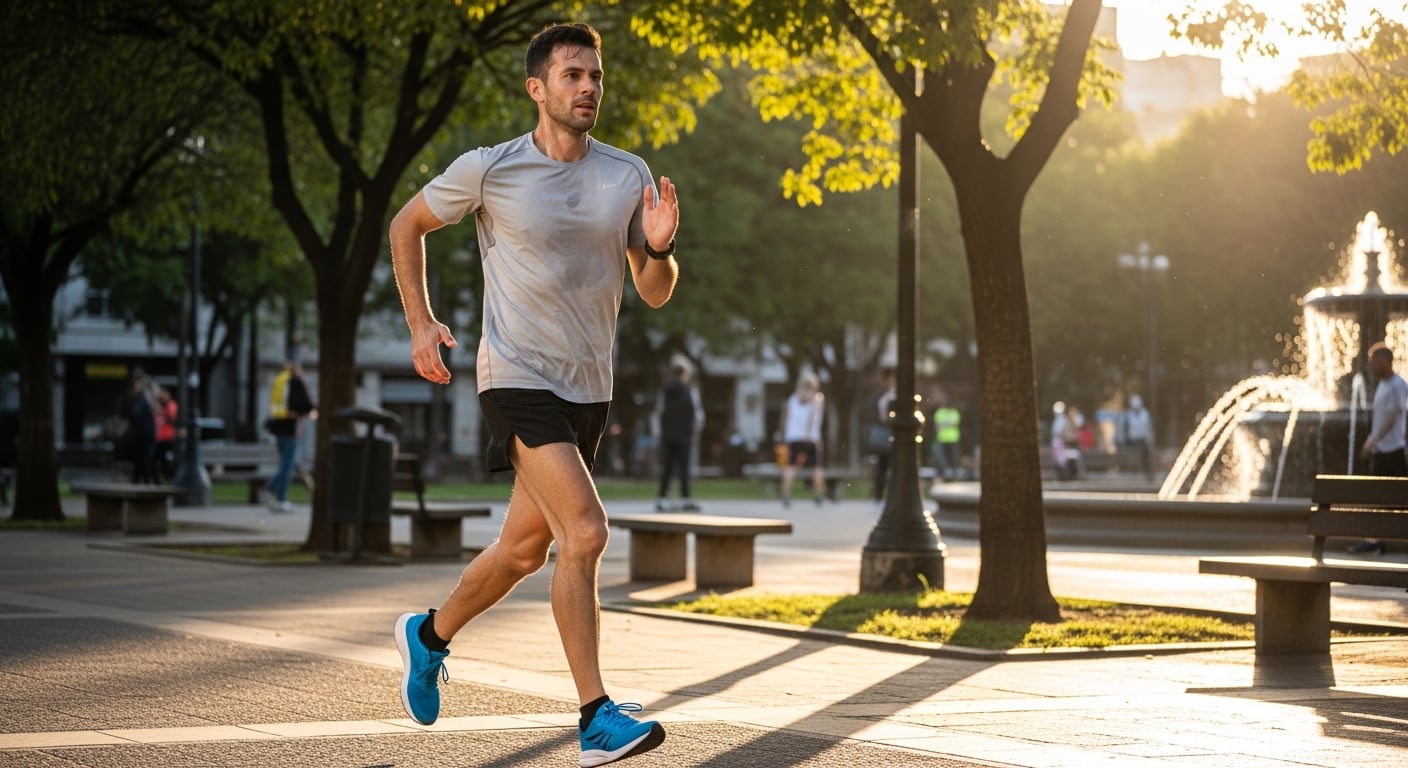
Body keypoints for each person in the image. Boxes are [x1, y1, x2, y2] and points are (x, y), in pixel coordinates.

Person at [387, 22, 679, 767]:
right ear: (537, 88)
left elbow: (654, 291)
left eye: (595, 76)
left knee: (522, 551)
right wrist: (420, 323)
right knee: (585, 532)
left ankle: (428, 635)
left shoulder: (627, 175)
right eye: (572, 75)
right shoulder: (492, 169)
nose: (588, 88)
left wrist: (660, 246)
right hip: (515, 375)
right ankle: (595, 719)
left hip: (588, 389)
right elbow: (407, 224)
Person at [1349, 342, 1407, 554]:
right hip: (1381, 451)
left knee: (1394, 498)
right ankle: (1375, 539)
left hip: (1392, 451)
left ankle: (1375, 540)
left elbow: (1393, 416)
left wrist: (1372, 440)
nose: (1371, 366)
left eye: (1375, 362)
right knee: (1378, 498)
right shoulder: (1383, 384)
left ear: (1386, 362)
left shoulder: (1397, 384)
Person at [262, 357, 315, 514]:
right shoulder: (295, 381)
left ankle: (274, 493)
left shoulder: (279, 380)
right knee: (288, 465)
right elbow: (306, 405)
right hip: (291, 427)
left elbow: (275, 405)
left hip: (278, 427)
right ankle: (277, 495)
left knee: (288, 463)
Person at [654, 362, 703, 512]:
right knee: (684, 468)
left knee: (667, 467)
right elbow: (698, 416)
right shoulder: (691, 392)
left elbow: (658, 412)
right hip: (685, 435)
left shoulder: (664, 390)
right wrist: (695, 433)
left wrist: (659, 434)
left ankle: (662, 498)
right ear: (684, 374)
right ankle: (685, 499)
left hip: (667, 435)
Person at [780, 373, 826, 507]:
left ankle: (786, 494)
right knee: (816, 467)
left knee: (791, 466)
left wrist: (785, 434)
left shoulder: (793, 399)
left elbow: (787, 418)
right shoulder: (817, 399)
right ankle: (819, 494)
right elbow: (813, 419)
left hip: (793, 437)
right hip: (810, 438)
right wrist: (810, 434)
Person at [869, 368, 896, 502]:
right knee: (882, 465)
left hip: (895, 433)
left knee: (895, 466)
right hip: (883, 433)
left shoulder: (898, 394)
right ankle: (878, 495)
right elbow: (873, 410)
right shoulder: (881, 394)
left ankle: (894, 494)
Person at [127, 375, 158, 484]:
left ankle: (142, 480)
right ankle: (143, 480)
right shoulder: (149, 398)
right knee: (145, 458)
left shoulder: (141, 398)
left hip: (143, 433)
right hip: (147, 432)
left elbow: (135, 413)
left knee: (143, 458)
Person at [1122, 393, 1155, 480]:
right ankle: (1133, 472)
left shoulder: (1145, 414)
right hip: (1131, 441)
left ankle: (1147, 473)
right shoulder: (1128, 415)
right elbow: (1125, 430)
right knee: (1134, 455)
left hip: (1142, 440)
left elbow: (1148, 428)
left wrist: (1149, 441)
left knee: (1145, 454)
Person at [932, 389, 962, 481]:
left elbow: (955, 423)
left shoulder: (954, 412)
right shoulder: (940, 412)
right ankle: (944, 473)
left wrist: (944, 424)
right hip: (942, 438)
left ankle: (955, 474)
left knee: (954, 457)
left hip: (953, 438)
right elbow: (937, 426)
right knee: (941, 457)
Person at [154, 387, 179, 481]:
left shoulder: (170, 405)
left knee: (167, 459)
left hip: (168, 437)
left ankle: (169, 476)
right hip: (160, 438)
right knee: (158, 458)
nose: (162, 396)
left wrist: (162, 412)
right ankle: (160, 477)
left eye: (164, 393)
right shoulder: (159, 406)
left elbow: (172, 418)